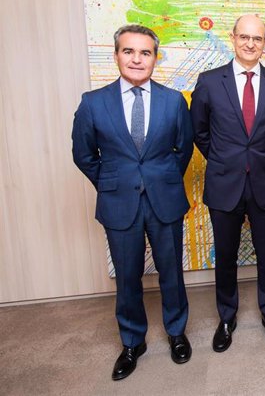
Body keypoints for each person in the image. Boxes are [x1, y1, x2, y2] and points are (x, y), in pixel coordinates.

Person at [72, 24, 194, 380]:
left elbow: (182, 149)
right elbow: (84, 155)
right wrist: (112, 183)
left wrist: (161, 178)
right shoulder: (93, 102)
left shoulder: (174, 101)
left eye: (145, 53)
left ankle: (176, 332)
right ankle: (132, 341)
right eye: (129, 51)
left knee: (172, 271)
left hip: (165, 199)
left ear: (155, 58)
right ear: (116, 56)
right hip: (118, 202)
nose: (137, 59)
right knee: (128, 276)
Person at [190, 14, 265, 349]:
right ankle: (226, 316)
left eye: (258, 38)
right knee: (227, 254)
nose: (251, 44)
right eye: (244, 37)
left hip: (264, 181)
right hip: (224, 182)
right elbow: (200, 133)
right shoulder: (208, 81)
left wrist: (255, 158)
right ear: (233, 38)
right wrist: (225, 158)